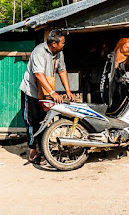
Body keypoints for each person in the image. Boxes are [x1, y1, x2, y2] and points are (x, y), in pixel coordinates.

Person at [20, 28, 74, 163]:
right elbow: (38, 74)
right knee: (31, 121)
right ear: (54, 43)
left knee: (43, 121)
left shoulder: (59, 53)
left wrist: (68, 91)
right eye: (62, 42)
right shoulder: (39, 51)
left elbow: (62, 71)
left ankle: (43, 149)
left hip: (45, 92)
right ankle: (33, 152)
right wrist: (52, 92)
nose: (64, 44)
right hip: (31, 91)